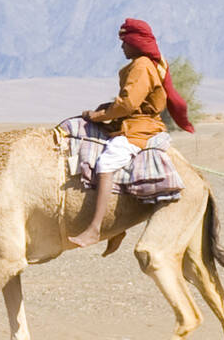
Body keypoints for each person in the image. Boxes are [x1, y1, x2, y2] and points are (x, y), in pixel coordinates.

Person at [66, 16, 195, 248]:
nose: (122, 47)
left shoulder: (142, 66)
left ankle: (96, 229)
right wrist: (104, 110)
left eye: (125, 42)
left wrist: (98, 115)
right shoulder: (144, 64)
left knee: (106, 163)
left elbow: (128, 104)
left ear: (135, 43)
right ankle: (116, 224)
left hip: (139, 128)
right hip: (132, 122)